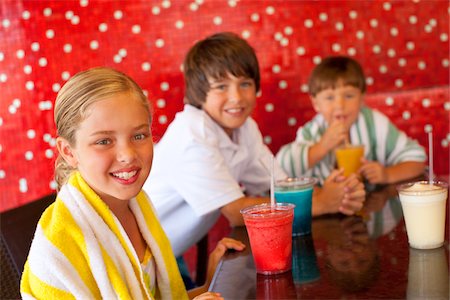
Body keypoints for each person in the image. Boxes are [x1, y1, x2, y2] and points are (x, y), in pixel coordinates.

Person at [143, 32, 365, 285]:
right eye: (221, 86)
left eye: (245, 84)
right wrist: (324, 202)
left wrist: (339, 193)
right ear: (199, 92)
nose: (236, 97)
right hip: (138, 263)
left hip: (169, 255)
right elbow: (237, 213)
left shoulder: (244, 128)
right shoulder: (191, 136)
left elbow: (278, 186)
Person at [20, 67, 244, 300]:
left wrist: (209, 283)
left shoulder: (140, 206)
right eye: (104, 141)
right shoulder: (58, 246)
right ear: (69, 151)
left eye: (139, 135)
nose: (127, 154)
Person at [277, 55, 426, 185]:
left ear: (361, 99)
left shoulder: (374, 123)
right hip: (327, 210)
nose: (340, 105)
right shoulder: (312, 132)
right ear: (316, 103)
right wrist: (321, 147)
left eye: (349, 96)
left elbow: (417, 159)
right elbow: (282, 168)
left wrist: (387, 174)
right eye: (329, 97)